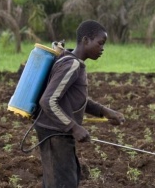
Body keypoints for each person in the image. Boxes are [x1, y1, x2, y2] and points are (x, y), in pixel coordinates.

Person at [34, 20, 125, 187]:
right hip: (55, 133)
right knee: (63, 183)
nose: (102, 49)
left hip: (55, 131)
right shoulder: (72, 65)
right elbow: (48, 101)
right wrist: (74, 127)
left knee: (64, 179)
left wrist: (104, 111)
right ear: (85, 40)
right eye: (100, 43)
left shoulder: (71, 61)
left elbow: (74, 98)